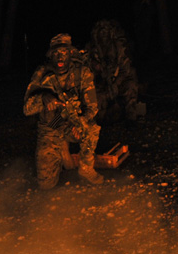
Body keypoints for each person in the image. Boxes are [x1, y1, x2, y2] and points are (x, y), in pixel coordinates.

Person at [23, 33, 102, 188]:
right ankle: (59, 155)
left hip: (70, 124)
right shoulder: (42, 74)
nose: (60, 58)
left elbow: (92, 107)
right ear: (51, 55)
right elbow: (27, 109)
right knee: (46, 184)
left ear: (70, 54)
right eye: (56, 53)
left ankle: (86, 168)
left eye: (64, 53)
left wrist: (80, 122)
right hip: (50, 127)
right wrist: (43, 97)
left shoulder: (82, 73)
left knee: (91, 129)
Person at [86, 19, 142, 123]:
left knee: (131, 87)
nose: (103, 34)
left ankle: (131, 119)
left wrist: (116, 83)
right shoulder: (91, 50)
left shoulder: (119, 48)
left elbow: (126, 68)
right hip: (101, 85)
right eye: (101, 31)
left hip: (119, 82)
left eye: (106, 31)